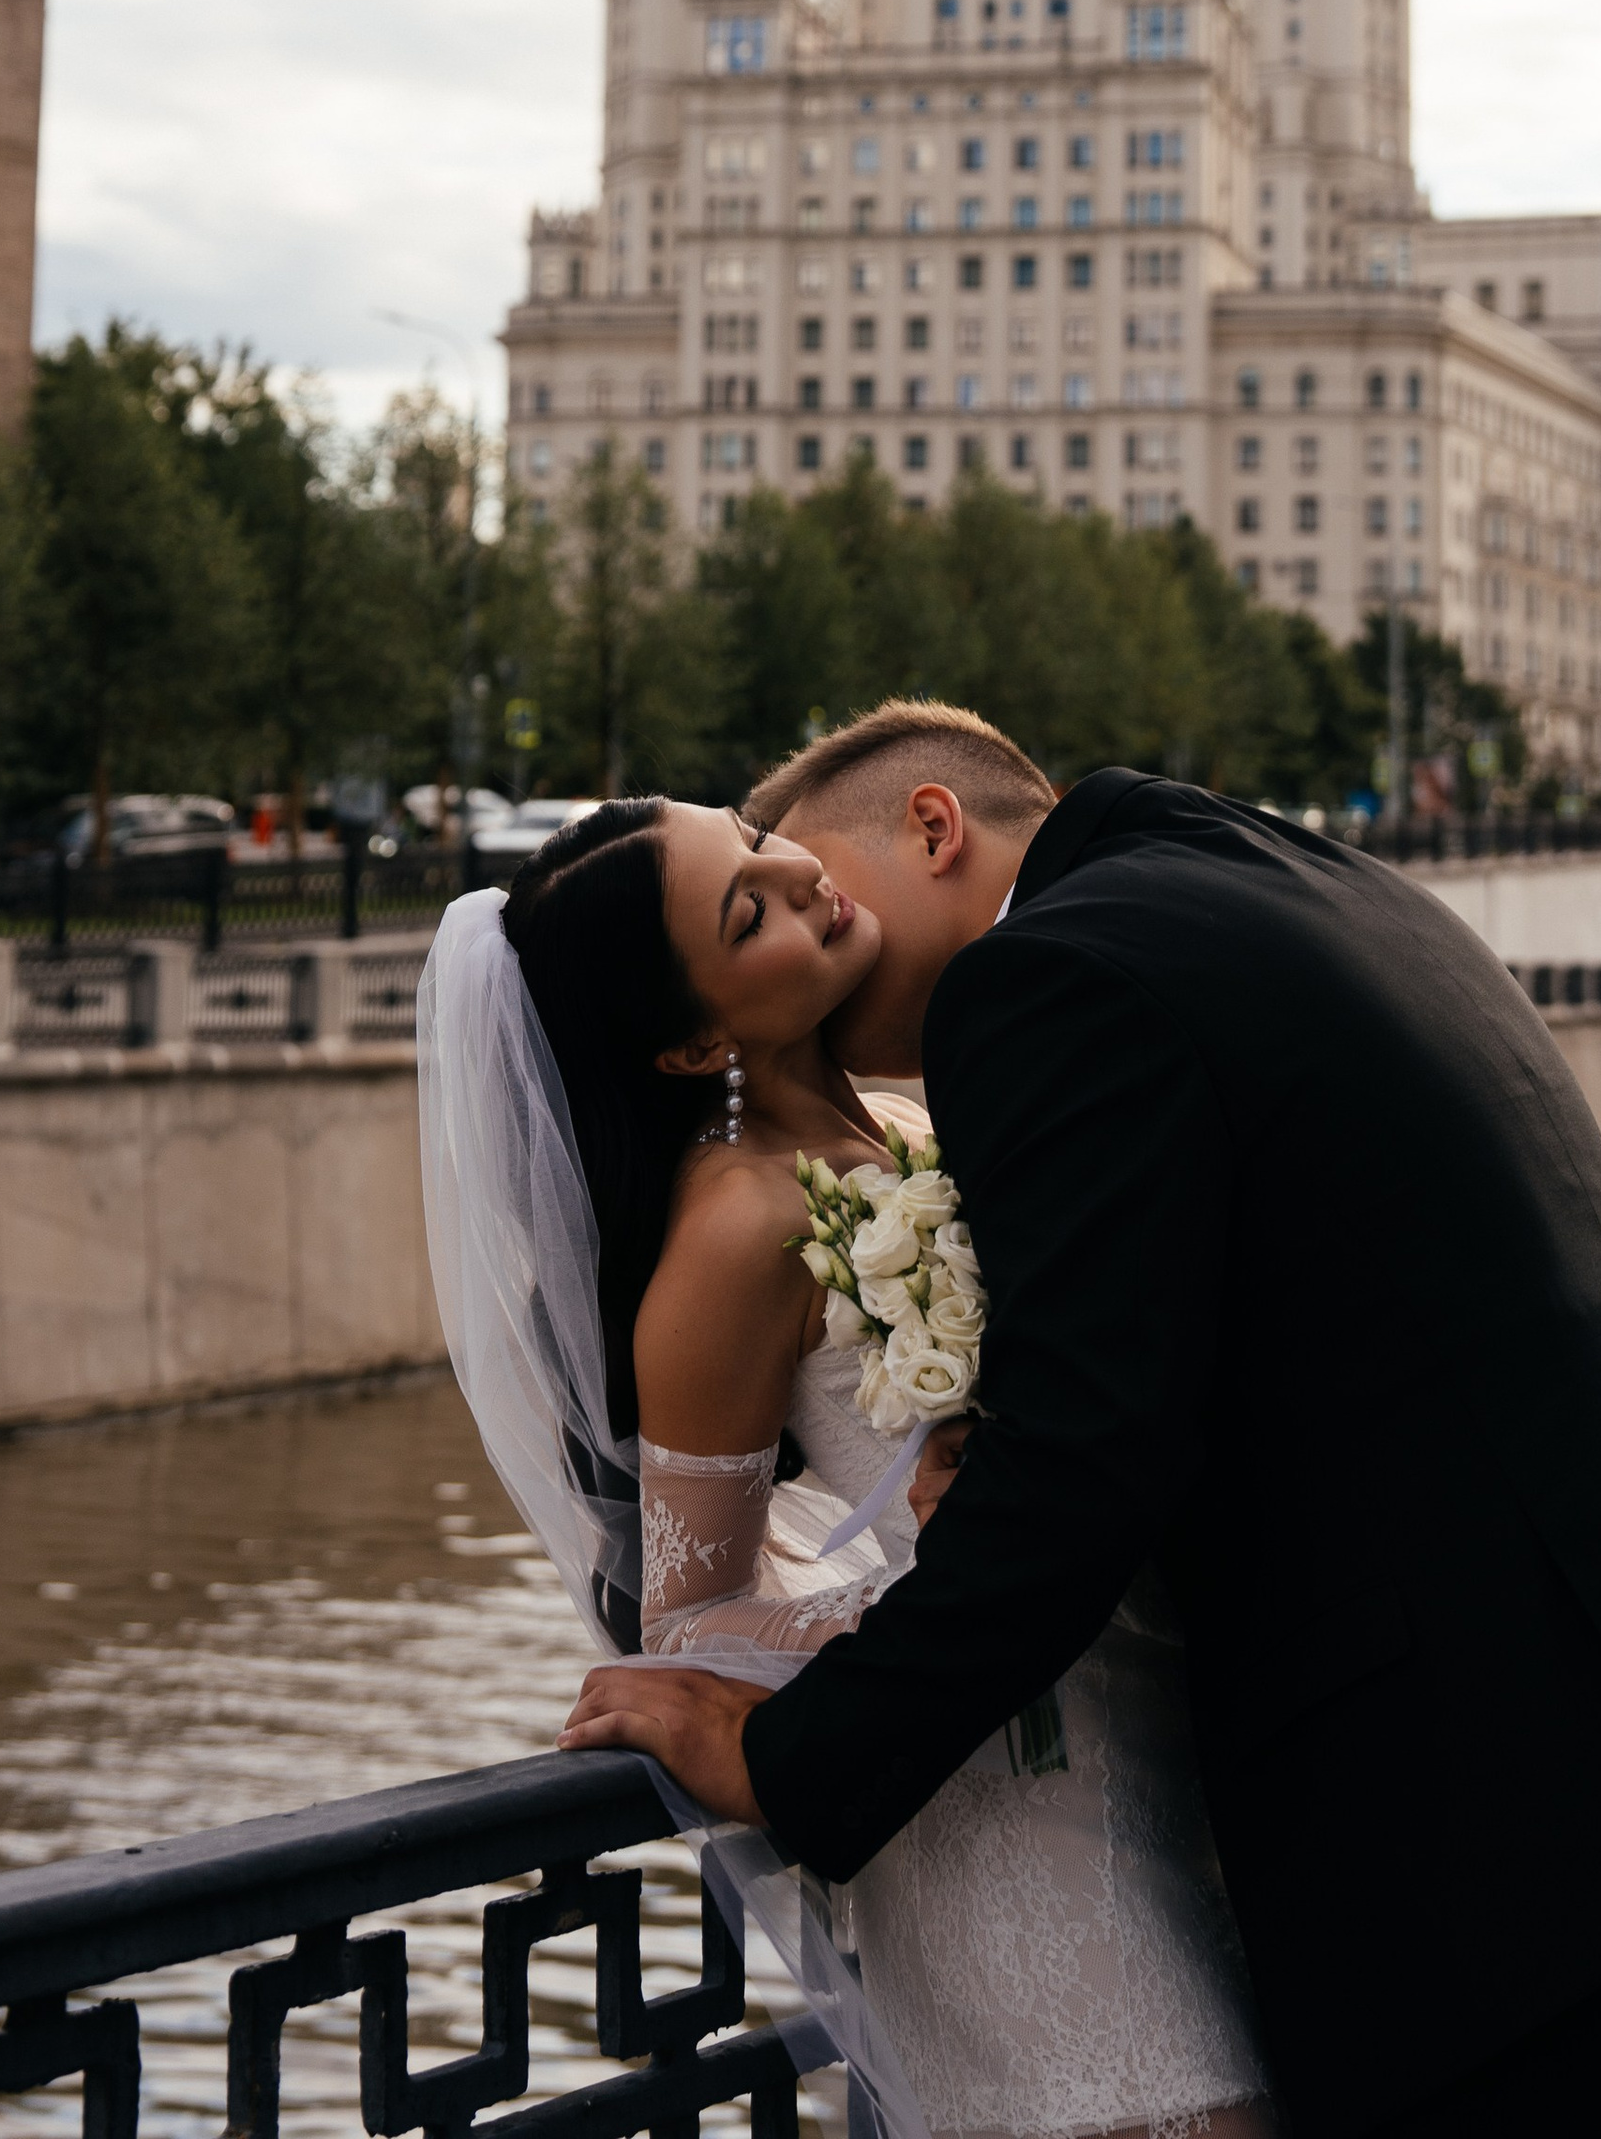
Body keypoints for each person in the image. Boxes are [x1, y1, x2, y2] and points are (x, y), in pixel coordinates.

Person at [562, 709, 1601, 2139]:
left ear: (934, 828)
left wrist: (794, 1763)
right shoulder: (1299, 876)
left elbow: (1083, 1474)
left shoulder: (1040, 981)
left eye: (823, 880)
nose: (831, 956)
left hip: (1539, 1837)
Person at [420, 745, 1274, 2139]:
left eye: (758, 845)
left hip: (1148, 1762)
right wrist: (929, 1575)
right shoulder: (733, 1229)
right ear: (695, 1045)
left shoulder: (909, 1131)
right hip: (1004, 1831)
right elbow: (687, 1620)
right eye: (745, 911)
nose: (801, 877)